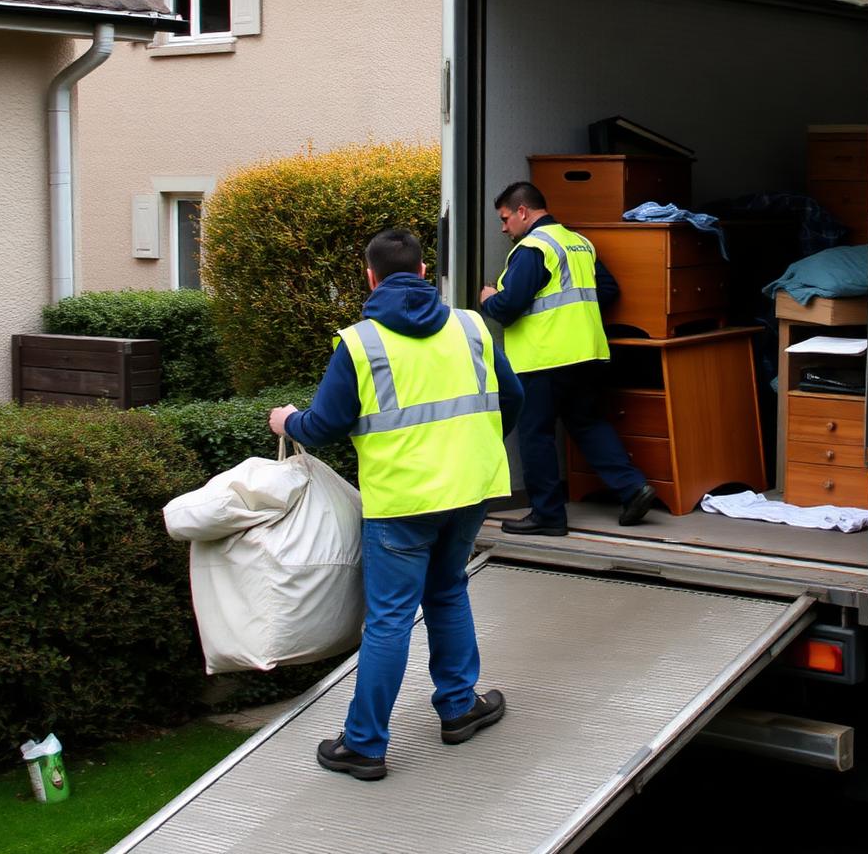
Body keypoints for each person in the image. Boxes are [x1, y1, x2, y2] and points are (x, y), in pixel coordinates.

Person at [268, 228, 522, 781]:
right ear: (426, 273)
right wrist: (474, 450)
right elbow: (515, 398)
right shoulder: (472, 325)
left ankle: (364, 745)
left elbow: (326, 425)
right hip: (470, 488)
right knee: (449, 591)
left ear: (370, 276)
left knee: (389, 619)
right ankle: (458, 708)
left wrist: (284, 420)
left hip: (401, 500)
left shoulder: (360, 343)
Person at [479, 181, 658, 537]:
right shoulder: (578, 242)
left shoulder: (532, 247)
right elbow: (606, 290)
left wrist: (487, 298)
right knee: (588, 423)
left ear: (523, 212)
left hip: (545, 358)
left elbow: (509, 307)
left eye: (504, 218)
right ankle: (632, 488)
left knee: (535, 435)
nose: (503, 228)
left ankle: (548, 515)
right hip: (587, 353)